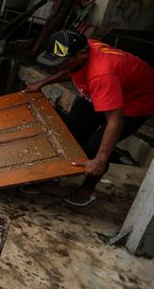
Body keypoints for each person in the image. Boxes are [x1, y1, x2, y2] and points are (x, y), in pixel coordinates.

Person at [24, 30, 154, 206]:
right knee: (69, 133)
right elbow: (69, 70)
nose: (58, 66)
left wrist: (100, 159)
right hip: (99, 91)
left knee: (94, 148)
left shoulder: (101, 74)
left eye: (62, 62)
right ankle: (53, 180)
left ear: (83, 54)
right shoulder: (82, 49)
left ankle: (87, 188)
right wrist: (42, 83)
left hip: (135, 102)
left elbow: (115, 121)